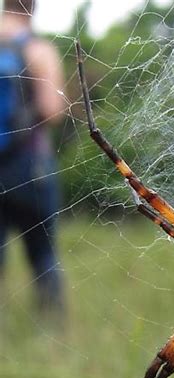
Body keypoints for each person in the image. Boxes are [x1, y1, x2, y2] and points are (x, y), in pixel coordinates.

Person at [0, 0, 66, 318]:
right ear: (33, 8)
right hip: (29, 167)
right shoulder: (39, 50)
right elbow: (52, 110)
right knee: (43, 255)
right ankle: (52, 331)